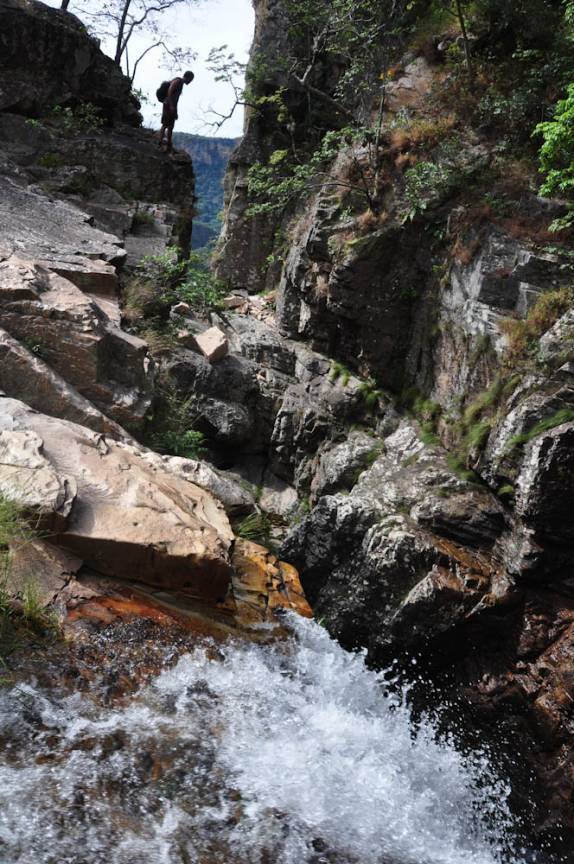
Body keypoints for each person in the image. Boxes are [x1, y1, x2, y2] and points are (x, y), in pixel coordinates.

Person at [159, 70, 194, 153]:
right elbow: (170, 91)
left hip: (171, 106)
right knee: (165, 124)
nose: (191, 81)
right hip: (168, 105)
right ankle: (159, 143)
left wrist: (175, 110)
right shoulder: (178, 81)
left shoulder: (180, 83)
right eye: (191, 79)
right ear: (188, 77)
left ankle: (169, 144)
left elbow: (176, 99)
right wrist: (171, 105)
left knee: (171, 125)